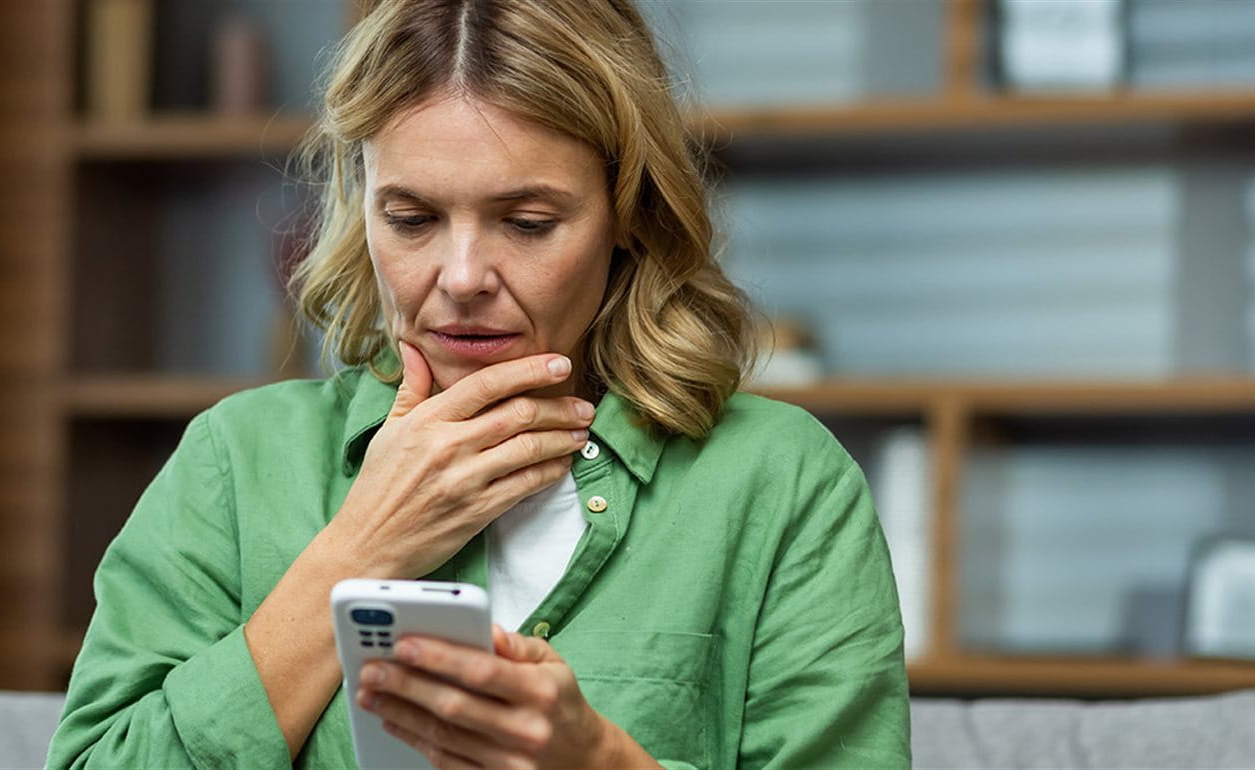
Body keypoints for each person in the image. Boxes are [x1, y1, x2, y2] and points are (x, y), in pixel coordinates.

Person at [45, 1, 911, 767]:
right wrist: (359, 552)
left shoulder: (781, 483)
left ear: (629, 216)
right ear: (362, 206)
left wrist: (598, 765)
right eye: (412, 218)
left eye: (528, 223)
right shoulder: (237, 462)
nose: (462, 276)